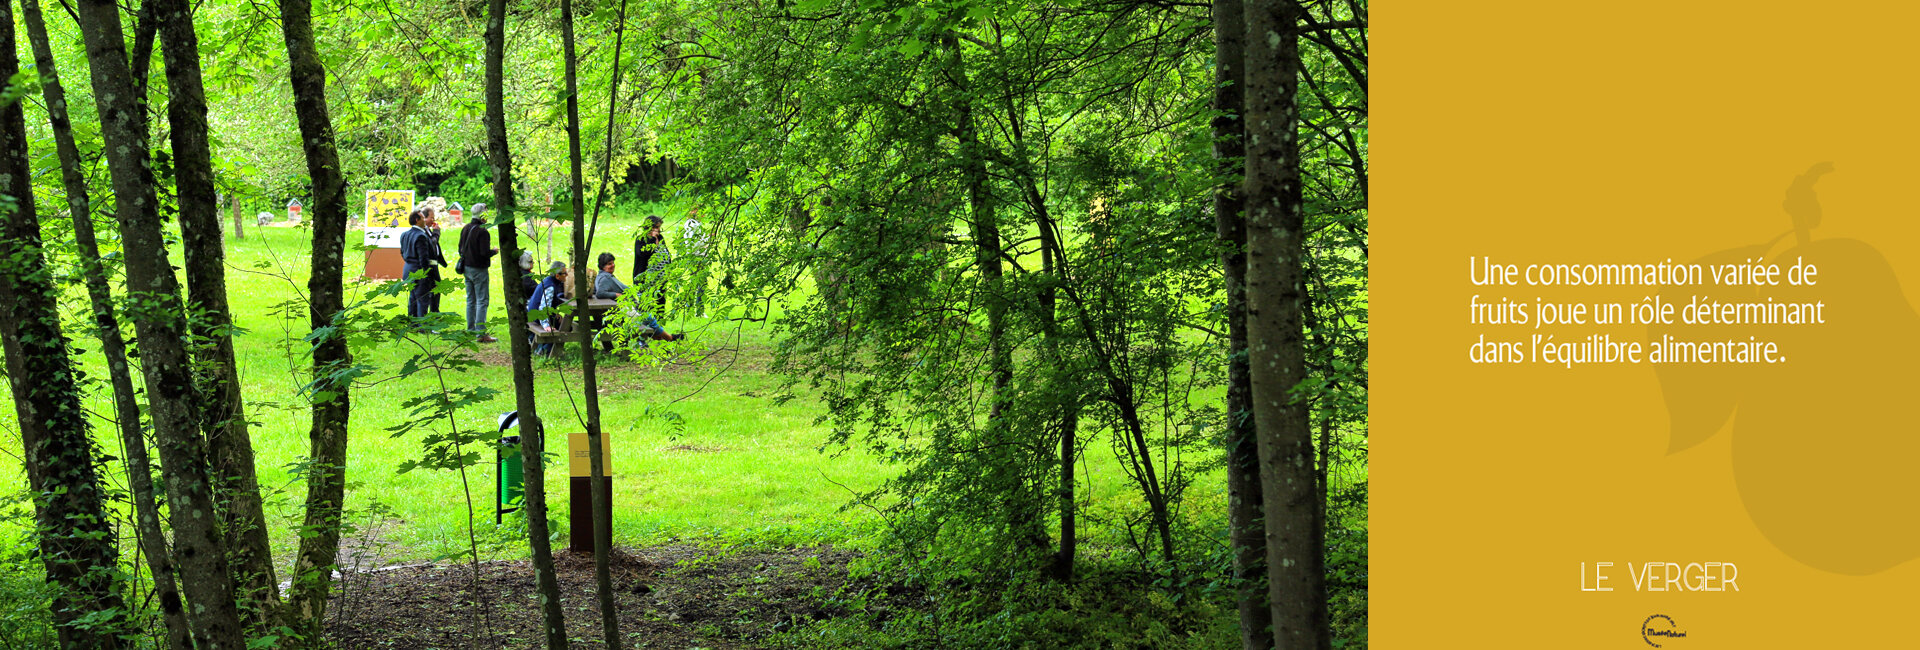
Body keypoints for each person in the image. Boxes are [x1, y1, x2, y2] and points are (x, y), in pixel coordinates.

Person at [458, 204, 499, 342]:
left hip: (466, 268)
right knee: (482, 300)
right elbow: (484, 253)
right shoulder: (482, 231)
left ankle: (471, 330)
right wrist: (494, 251)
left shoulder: (465, 228)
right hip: (479, 269)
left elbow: (460, 249)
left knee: (471, 300)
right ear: (482, 215)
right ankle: (481, 334)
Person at [400, 209, 447, 320]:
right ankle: (423, 326)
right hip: (419, 270)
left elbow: (402, 252)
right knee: (422, 299)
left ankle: (413, 323)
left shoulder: (404, 234)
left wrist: (410, 262)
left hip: (408, 269)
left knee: (413, 298)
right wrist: (426, 273)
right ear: (417, 220)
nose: (424, 221)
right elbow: (423, 258)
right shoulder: (421, 236)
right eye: (422, 218)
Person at [527, 261, 570, 356]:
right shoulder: (550, 287)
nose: (567, 275)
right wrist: (546, 324)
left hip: (533, 313)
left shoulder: (549, 281)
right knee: (563, 327)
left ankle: (543, 348)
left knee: (563, 324)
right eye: (564, 273)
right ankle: (545, 350)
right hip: (537, 317)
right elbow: (544, 307)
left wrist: (555, 313)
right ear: (557, 276)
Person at [632, 215, 670, 311]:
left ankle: (659, 324)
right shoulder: (641, 239)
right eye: (656, 227)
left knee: (660, 305)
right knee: (647, 307)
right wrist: (653, 239)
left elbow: (665, 254)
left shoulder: (660, 238)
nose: (658, 230)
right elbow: (643, 254)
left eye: (659, 227)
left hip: (660, 279)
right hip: (644, 279)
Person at [682, 211, 709, 317]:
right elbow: (692, 243)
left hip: (697, 256)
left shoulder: (694, 224)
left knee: (696, 283)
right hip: (697, 257)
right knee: (700, 284)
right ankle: (698, 310)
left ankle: (692, 309)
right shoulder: (692, 224)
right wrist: (706, 243)